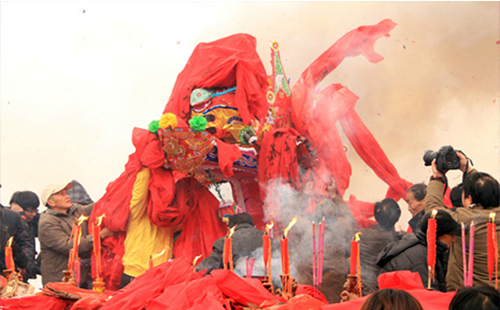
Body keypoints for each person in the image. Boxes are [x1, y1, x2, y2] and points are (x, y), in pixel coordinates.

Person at [425, 151, 500, 290]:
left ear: (469, 199)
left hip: (468, 296)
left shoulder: (461, 219)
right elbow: (486, 188)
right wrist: (468, 169)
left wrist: (437, 178)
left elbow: (433, 211)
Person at [38, 182, 113, 287]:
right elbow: (69, 246)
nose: (67, 196)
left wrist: (113, 194)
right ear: (51, 202)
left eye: (66, 193)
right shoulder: (47, 223)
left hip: (82, 277)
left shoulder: (75, 210)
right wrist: (100, 235)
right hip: (60, 281)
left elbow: (97, 207)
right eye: (61, 194)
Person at [376, 209, 460, 291]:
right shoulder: (421, 258)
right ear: (442, 235)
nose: (454, 240)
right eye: (452, 235)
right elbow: (427, 296)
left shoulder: (422, 246)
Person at [196, 212, 274, 275]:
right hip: (270, 287)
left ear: (231, 228)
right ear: (253, 226)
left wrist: (196, 271)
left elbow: (206, 267)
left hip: (236, 288)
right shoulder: (270, 240)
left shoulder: (224, 242)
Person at [359, 198, 404, 295]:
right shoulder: (401, 240)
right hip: (389, 290)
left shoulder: (362, 235)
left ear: (376, 216)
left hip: (365, 286)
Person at [9, 191, 40, 280]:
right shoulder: (9, 219)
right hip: (13, 267)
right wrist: (19, 215)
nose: (34, 214)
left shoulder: (34, 220)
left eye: (35, 211)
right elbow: (24, 241)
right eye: (30, 211)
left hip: (26, 268)